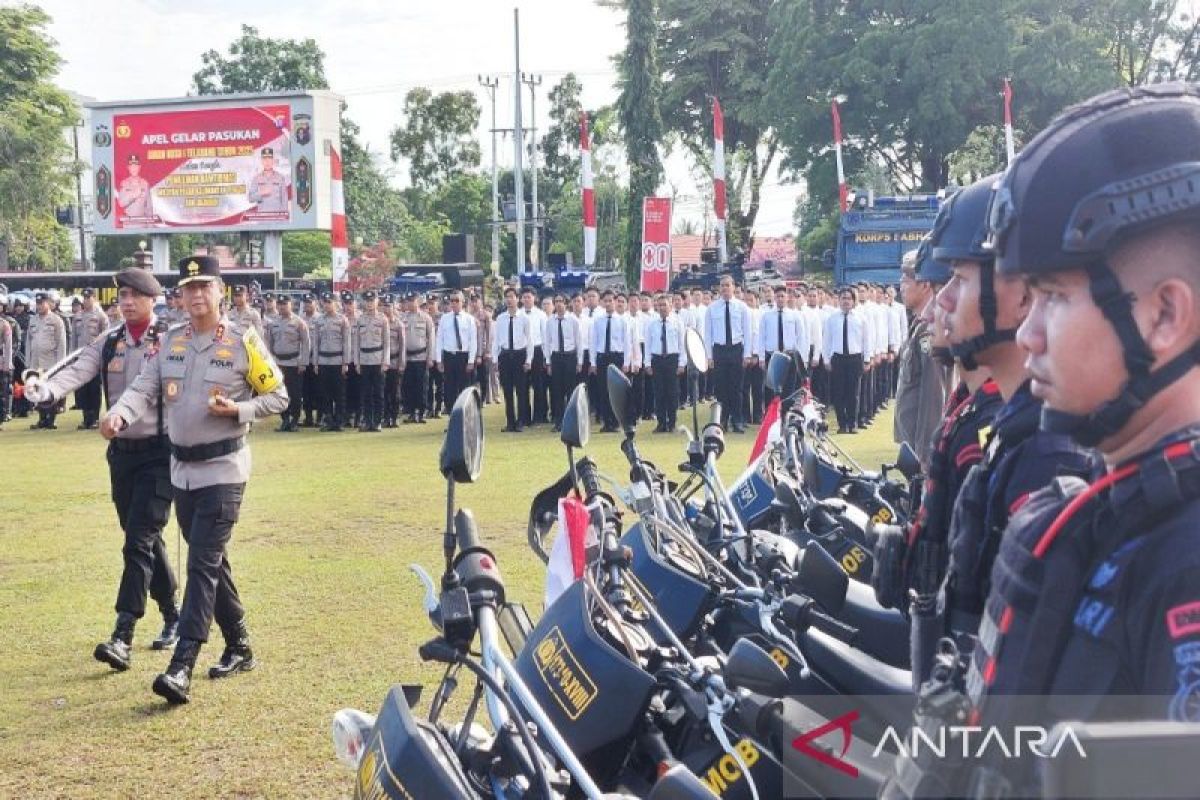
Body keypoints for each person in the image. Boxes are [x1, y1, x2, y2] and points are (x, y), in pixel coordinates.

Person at [957, 84, 1200, 789]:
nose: (1027, 335)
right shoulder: (1119, 512)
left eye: (1055, 298)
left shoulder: (1184, 561)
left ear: (1163, 317)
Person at [101, 256, 287, 704]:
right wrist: (119, 415)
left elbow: (278, 396)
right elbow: (143, 388)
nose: (197, 295)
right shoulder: (171, 343)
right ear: (180, 296)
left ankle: (183, 662)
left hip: (224, 470)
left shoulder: (244, 342)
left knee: (201, 562)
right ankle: (239, 643)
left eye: (205, 286)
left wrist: (240, 411)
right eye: (189, 288)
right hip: (181, 471)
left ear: (221, 291)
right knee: (213, 560)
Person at [24, 268, 180, 669]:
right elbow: (78, 369)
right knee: (142, 537)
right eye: (122, 296)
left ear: (151, 298)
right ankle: (172, 613)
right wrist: (49, 390)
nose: (125, 302)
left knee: (138, 541)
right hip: (122, 456)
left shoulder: (168, 340)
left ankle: (123, 633)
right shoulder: (109, 341)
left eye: (134, 295)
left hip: (159, 455)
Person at [893, 248, 950, 467]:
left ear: (925, 285)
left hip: (920, 449)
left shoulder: (928, 330)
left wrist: (924, 454)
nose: (901, 285)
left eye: (906, 280)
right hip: (911, 443)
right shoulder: (918, 326)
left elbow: (932, 395)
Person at [704, 275, 753, 433]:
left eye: (727, 285)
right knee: (720, 388)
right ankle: (722, 420)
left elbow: (748, 332)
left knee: (736, 388)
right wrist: (709, 356)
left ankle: (737, 420)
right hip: (719, 350)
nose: (724, 288)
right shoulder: (712, 308)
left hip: (736, 349)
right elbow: (708, 334)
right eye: (722, 285)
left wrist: (746, 355)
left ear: (733, 287)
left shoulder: (742, 307)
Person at [822, 288, 867, 434]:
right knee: (838, 393)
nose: (846, 301)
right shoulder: (832, 318)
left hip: (855, 358)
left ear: (853, 301)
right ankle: (842, 424)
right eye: (843, 298)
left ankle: (852, 423)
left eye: (848, 298)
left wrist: (867, 359)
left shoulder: (861, 318)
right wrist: (826, 359)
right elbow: (826, 340)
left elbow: (866, 340)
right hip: (838, 359)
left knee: (853, 393)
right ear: (839, 300)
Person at [756, 285, 807, 405]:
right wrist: (762, 358)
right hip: (772, 356)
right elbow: (761, 338)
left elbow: (801, 338)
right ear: (774, 297)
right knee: (770, 389)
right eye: (777, 296)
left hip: (790, 355)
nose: (780, 299)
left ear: (787, 297)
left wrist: (802, 358)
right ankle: (771, 417)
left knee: (789, 388)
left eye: (782, 296)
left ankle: (786, 415)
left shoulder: (794, 315)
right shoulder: (766, 316)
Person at [589, 290, 632, 432]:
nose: (608, 303)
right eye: (605, 301)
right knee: (604, 390)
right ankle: (607, 422)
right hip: (602, 357)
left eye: (610, 301)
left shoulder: (622, 321)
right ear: (602, 303)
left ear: (615, 301)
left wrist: (626, 362)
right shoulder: (598, 321)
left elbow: (627, 343)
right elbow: (593, 343)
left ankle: (617, 422)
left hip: (616, 357)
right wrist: (593, 363)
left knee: (617, 391)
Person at [493, 287, 535, 432]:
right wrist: (495, 360)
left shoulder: (524, 318)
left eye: (512, 297)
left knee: (521, 391)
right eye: (507, 297)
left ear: (518, 299)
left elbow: (529, 340)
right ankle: (510, 421)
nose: (509, 300)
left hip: (519, 355)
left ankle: (521, 421)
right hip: (505, 356)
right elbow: (496, 341)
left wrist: (528, 360)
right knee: (507, 391)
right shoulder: (500, 318)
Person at [25, 292, 68, 430]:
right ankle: (42, 419)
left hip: (50, 362)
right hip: (35, 362)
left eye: (42, 303)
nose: (39, 306)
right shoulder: (33, 320)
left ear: (48, 303)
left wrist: (61, 363)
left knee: (49, 391)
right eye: (37, 304)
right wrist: (28, 362)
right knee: (37, 391)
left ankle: (51, 419)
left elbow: (61, 343)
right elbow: (28, 341)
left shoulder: (56, 320)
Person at [266, 294, 309, 432]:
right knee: (280, 393)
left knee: (295, 394)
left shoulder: (299, 322)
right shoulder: (273, 323)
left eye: (285, 304)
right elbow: (269, 344)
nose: (282, 306)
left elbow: (306, 344)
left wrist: (303, 362)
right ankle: (285, 420)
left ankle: (295, 420)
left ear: (291, 305)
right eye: (280, 304)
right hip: (278, 363)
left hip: (294, 363)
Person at [544, 293, 584, 430]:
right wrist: (548, 362)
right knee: (557, 391)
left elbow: (579, 341)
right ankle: (558, 421)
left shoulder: (573, 320)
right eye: (556, 301)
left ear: (566, 303)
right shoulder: (550, 321)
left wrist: (579, 361)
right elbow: (547, 342)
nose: (559, 304)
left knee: (570, 391)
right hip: (556, 357)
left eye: (561, 301)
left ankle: (572, 422)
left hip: (570, 357)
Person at [313, 291, 352, 432]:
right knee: (325, 393)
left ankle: (339, 421)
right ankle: (328, 419)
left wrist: (345, 363)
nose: (327, 305)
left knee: (339, 393)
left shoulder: (342, 320)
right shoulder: (319, 321)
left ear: (336, 303)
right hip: (323, 361)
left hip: (337, 361)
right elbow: (316, 343)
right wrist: (315, 363)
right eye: (325, 302)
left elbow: (346, 342)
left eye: (330, 302)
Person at [71, 289, 109, 430]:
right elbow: (74, 338)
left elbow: (106, 337)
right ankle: (86, 418)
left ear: (94, 298)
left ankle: (94, 419)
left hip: (95, 358)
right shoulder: (78, 316)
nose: (86, 300)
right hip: (80, 357)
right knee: (83, 390)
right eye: (84, 297)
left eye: (88, 297)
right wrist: (72, 356)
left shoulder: (100, 316)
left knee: (94, 389)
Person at [647, 293, 685, 433]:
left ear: (670, 306)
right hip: (657, 359)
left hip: (672, 359)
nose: (662, 308)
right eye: (660, 305)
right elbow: (649, 344)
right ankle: (661, 423)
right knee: (659, 393)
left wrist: (681, 363)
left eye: (665, 305)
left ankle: (672, 422)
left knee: (672, 392)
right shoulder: (652, 324)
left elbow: (682, 345)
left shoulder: (677, 322)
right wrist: (648, 364)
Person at [354, 290, 390, 432]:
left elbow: (386, 342)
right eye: (367, 301)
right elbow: (356, 342)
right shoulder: (360, 319)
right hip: (364, 360)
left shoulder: (382, 319)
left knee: (379, 393)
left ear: (376, 302)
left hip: (378, 359)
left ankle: (377, 421)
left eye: (371, 300)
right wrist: (357, 362)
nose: (369, 303)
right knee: (366, 393)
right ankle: (368, 421)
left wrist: (385, 361)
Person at [434, 291, 477, 413]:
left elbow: (473, 341)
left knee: (464, 390)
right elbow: (439, 340)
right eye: (451, 301)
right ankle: (451, 419)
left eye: (456, 300)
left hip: (463, 356)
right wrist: (439, 360)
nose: (454, 303)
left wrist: (471, 360)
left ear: (463, 302)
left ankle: (465, 418)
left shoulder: (469, 319)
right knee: (449, 390)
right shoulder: (445, 318)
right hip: (449, 357)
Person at [401, 294, 434, 423]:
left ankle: (420, 412)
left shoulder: (426, 318)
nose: (410, 303)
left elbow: (431, 339)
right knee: (408, 386)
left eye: (412, 301)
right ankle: (410, 412)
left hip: (421, 357)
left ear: (418, 301)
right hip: (407, 358)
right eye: (408, 301)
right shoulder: (403, 318)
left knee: (421, 386)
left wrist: (430, 357)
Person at [520, 288, 549, 425]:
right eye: (524, 297)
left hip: (538, 350)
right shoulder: (518, 314)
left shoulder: (541, 315)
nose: (526, 299)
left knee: (539, 385)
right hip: (522, 351)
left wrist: (545, 357)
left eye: (529, 297)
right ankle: (525, 417)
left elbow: (545, 336)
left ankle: (540, 416)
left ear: (534, 298)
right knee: (523, 385)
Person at [381, 294, 406, 428]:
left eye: (388, 306)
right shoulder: (379, 322)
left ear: (393, 307)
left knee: (395, 392)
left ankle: (394, 417)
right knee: (383, 392)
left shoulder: (398, 324)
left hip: (395, 361)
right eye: (384, 306)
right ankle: (385, 417)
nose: (386, 309)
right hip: (383, 363)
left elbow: (402, 346)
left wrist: (402, 363)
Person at [299, 294, 322, 427]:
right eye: (306, 303)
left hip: (317, 359)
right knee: (306, 390)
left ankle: (320, 418)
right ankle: (308, 418)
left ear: (316, 303)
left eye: (310, 303)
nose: (308, 305)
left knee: (319, 390)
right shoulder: (300, 319)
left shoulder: (320, 319)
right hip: (304, 359)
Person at [248, 147, 288, 214]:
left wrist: (283, 218)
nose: (267, 162)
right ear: (261, 161)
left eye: (269, 158)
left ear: (273, 160)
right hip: (262, 219)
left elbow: (284, 200)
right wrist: (261, 193)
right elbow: (250, 198)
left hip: (277, 219)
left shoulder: (280, 178)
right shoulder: (256, 179)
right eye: (264, 159)